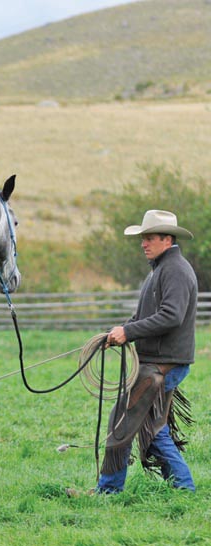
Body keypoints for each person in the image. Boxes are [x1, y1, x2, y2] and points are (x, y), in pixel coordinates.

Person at [71, 209, 197, 496]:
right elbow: (146, 315)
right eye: (143, 238)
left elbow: (171, 316)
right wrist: (119, 332)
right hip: (158, 364)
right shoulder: (161, 269)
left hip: (162, 367)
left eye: (149, 238)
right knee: (154, 430)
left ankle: (108, 490)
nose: (144, 244)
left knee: (122, 421)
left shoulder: (174, 270)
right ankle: (183, 487)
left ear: (167, 239)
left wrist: (128, 333)